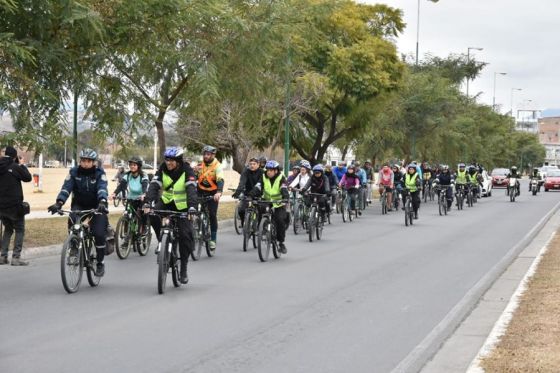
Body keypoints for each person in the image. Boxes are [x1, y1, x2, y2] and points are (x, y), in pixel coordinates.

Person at [48, 148, 109, 276]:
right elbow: (66, 187)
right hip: (79, 205)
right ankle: (74, 247)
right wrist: (59, 202)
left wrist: (102, 202)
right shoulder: (74, 172)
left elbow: (102, 188)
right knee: (72, 220)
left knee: (98, 234)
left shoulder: (99, 173)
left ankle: (100, 262)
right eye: (83, 161)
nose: (85, 163)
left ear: (93, 162)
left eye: (88, 161)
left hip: (97, 206)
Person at [145, 147, 197, 284]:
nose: (168, 163)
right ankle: (162, 240)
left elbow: (191, 189)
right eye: (167, 160)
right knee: (153, 214)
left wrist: (192, 207)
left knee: (185, 236)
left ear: (178, 160)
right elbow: (154, 185)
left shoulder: (187, 170)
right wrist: (148, 202)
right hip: (167, 201)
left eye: (171, 160)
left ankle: (184, 268)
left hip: (183, 206)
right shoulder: (162, 168)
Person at [0, 146, 32, 266]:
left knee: (8, 229)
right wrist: (22, 165)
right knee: (19, 229)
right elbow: (27, 178)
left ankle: (3, 257)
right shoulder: (15, 167)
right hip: (14, 206)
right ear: (14, 157)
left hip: (1, 206)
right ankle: (16, 258)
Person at [250, 160, 289, 254]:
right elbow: (258, 187)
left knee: (279, 220)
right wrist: (251, 195)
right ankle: (262, 230)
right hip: (266, 201)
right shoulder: (263, 176)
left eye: (271, 170)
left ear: (276, 171)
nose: (268, 172)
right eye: (267, 170)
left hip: (278, 202)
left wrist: (285, 198)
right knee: (260, 210)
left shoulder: (281, 177)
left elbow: (284, 188)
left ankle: (281, 243)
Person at [111, 157, 150, 248]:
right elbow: (121, 186)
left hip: (142, 197)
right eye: (131, 165)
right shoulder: (127, 175)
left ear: (138, 166)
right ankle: (127, 239)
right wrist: (114, 193)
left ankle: (144, 229)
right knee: (127, 216)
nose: (132, 166)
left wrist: (144, 194)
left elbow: (145, 185)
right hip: (131, 198)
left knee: (143, 213)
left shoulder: (143, 175)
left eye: (134, 165)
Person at [197, 145, 224, 251]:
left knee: (212, 214)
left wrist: (219, 192)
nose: (206, 156)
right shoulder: (200, 165)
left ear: (213, 155)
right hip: (200, 191)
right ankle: (195, 228)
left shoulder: (218, 166)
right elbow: (194, 177)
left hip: (213, 193)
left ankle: (213, 239)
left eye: (208, 154)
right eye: (205, 154)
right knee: (192, 210)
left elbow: (220, 179)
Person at [232, 157, 263, 222]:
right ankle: (244, 225)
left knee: (260, 211)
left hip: (259, 194)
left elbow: (259, 185)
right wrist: (237, 192)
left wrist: (252, 194)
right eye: (250, 164)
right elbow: (242, 182)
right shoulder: (246, 171)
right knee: (241, 210)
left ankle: (258, 227)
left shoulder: (262, 172)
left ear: (258, 164)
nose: (252, 166)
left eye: (254, 164)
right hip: (247, 194)